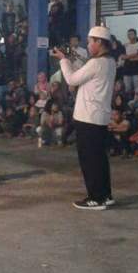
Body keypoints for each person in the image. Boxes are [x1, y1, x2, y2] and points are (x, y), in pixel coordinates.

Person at [51, 26, 116, 210]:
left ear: (99, 42)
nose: (88, 45)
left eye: (90, 41)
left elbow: (71, 79)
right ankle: (105, 194)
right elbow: (83, 79)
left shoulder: (96, 64)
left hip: (88, 117)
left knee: (89, 159)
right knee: (100, 159)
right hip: (100, 116)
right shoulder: (109, 62)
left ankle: (95, 198)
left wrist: (63, 60)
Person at [121, 29, 138, 96]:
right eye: (128, 34)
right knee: (127, 89)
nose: (129, 36)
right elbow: (123, 57)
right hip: (126, 70)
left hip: (136, 70)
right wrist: (134, 54)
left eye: (131, 34)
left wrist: (129, 57)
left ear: (135, 35)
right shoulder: (125, 45)